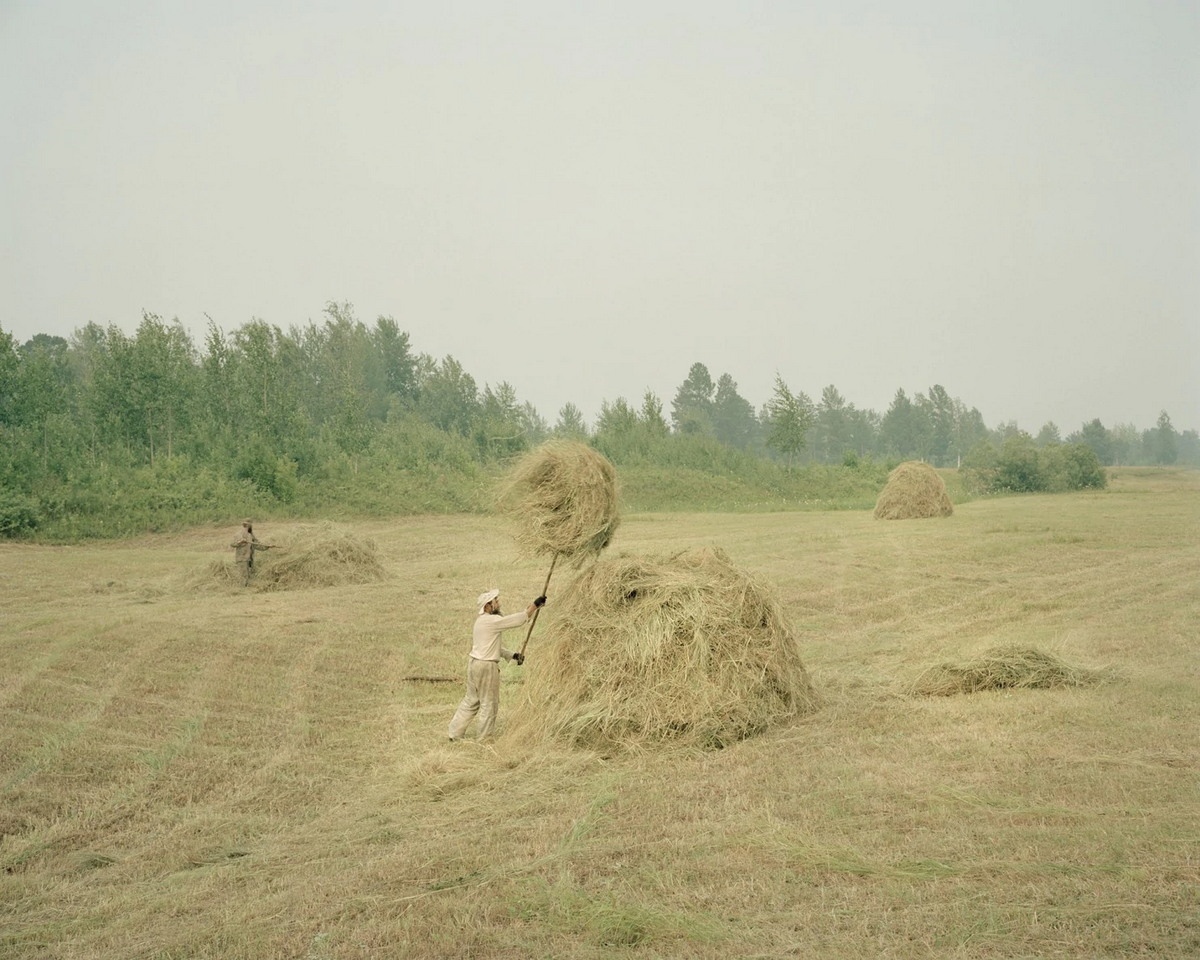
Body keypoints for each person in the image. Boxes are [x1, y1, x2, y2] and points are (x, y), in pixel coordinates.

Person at [448, 588, 547, 741]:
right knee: (489, 703)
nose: (498, 604)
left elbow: (493, 647)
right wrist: (535, 605)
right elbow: (518, 620)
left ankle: (454, 734)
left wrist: (513, 655)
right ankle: (484, 738)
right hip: (486, 667)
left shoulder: (480, 622)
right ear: (488, 606)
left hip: (474, 664)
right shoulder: (491, 621)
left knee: (471, 700)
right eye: (496, 601)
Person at [231, 519, 272, 586]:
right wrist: (240, 542)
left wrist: (268, 546)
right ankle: (242, 591)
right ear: (247, 525)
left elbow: (257, 545)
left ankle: (247, 590)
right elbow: (232, 544)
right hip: (242, 559)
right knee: (243, 576)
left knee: (249, 576)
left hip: (249, 559)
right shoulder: (239, 534)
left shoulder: (251, 535)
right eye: (249, 525)